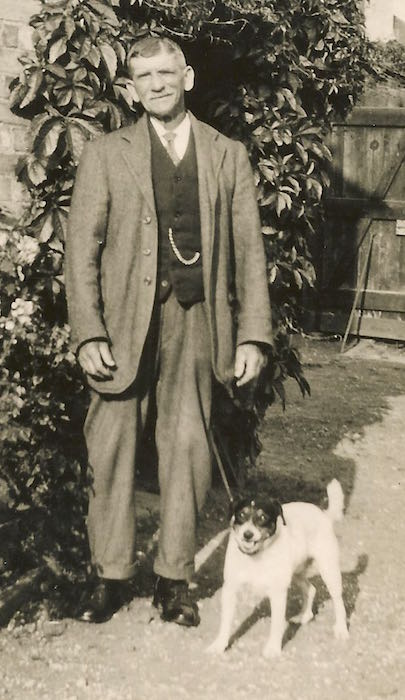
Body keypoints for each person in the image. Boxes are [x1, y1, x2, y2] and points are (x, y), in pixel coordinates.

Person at [65, 36, 272, 627]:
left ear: (188, 77)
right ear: (129, 88)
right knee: (112, 449)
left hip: (198, 319)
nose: (156, 84)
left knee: (186, 448)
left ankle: (174, 578)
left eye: (166, 72)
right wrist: (88, 332)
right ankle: (109, 575)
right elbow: (80, 252)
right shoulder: (107, 154)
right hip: (124, 323)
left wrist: (253, 334)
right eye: (143, 76)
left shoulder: (227, 154)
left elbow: (250, 252)